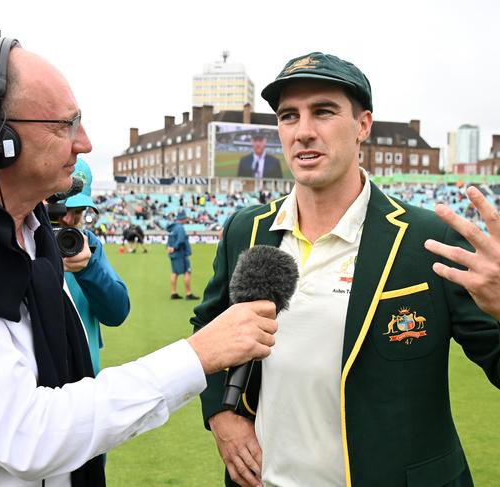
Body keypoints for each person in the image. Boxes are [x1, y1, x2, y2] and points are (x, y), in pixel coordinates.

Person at [0, 38, 279, 487]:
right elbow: (26, 435)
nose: (86, 142)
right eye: (64, 125)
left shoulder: (29, 229)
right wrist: (198, 355)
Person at [191, 51, 500, 487]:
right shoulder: (248, 229)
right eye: (288, 116)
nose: (303, 132)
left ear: (363, 126)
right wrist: (222, 413)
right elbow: (208, 328)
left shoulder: (428, 238)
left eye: (323, 112)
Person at [58, 157, 130, 375]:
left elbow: (117, 312)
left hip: (85, 380)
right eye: (61, 209)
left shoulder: (87, 244)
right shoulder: (24, 241)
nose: (69, 220)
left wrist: (88, 269)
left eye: (78, 210)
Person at [167, 210, 199, 300]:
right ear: (183, 219)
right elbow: (181, 240)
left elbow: (169, 240)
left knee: (174, 272)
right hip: (181, 253)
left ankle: (173, 293)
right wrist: (175, 247)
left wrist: (169, 248)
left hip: (173, 254)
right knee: (187, 272)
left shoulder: (172, 227)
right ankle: (188, 294)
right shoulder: (180, 228)